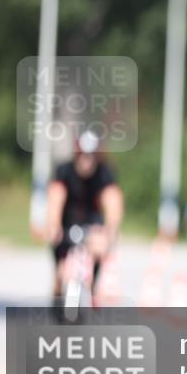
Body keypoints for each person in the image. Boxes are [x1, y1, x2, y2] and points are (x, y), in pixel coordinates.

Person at [46, 130, 123, 307]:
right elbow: (56, 198)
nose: (86, 161)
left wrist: (111, 229)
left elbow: (112, 201)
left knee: (100, 246)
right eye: (83, 155)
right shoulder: (64, 171)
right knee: (61, 273)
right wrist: (53, 224)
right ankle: (57, 300)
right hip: (66, 226)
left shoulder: (104, 173)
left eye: (91, 156)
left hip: (92, 225)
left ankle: (92, 290)